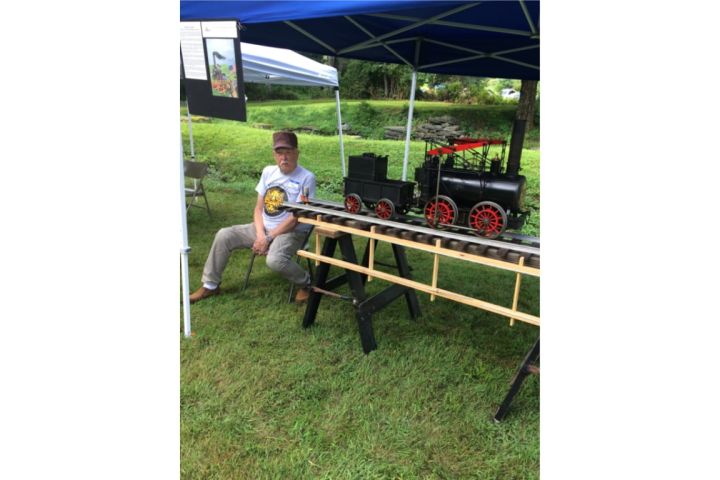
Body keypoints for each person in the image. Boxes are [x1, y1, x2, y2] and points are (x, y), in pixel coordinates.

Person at [190, 131, 316, 304]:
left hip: (290, 232)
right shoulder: (268, 172)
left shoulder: (307, 178)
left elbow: (295, 218)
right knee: (224, 235)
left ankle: (307, 283)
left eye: (288, 152)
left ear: (296, 152)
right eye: (279, 153)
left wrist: (269, 237)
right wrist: (260, 235)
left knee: (275, 260)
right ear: (274, 154)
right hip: (263, 229)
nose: (283, 157)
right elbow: (258, 209)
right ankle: (210, 286)